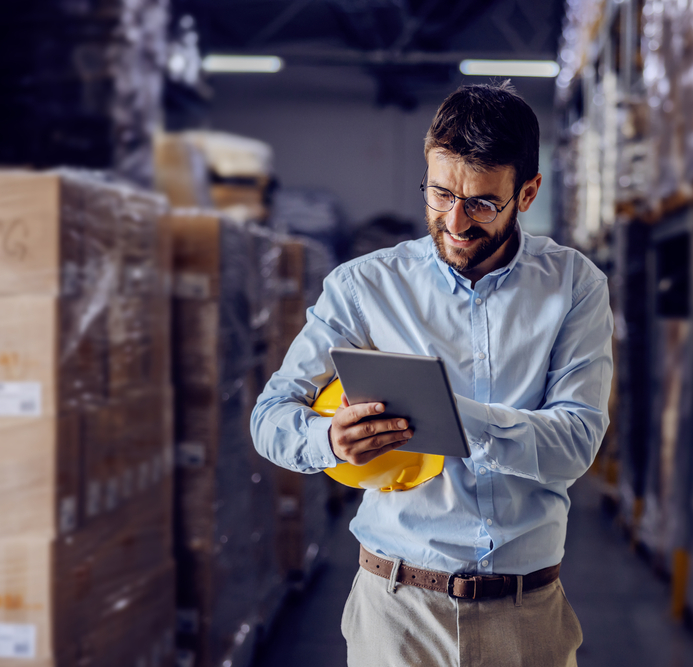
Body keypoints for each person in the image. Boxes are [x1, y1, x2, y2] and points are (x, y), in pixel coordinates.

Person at [251, 81, 613, 666]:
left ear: (528, 193)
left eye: (482, 203)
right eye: (441, 193)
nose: (456, 221)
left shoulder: (574, 286)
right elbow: (270, 417)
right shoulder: (364, 287)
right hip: (397, 611)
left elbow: (574, 443)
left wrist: (444, 416)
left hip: (525, 615)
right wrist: (326, 438)